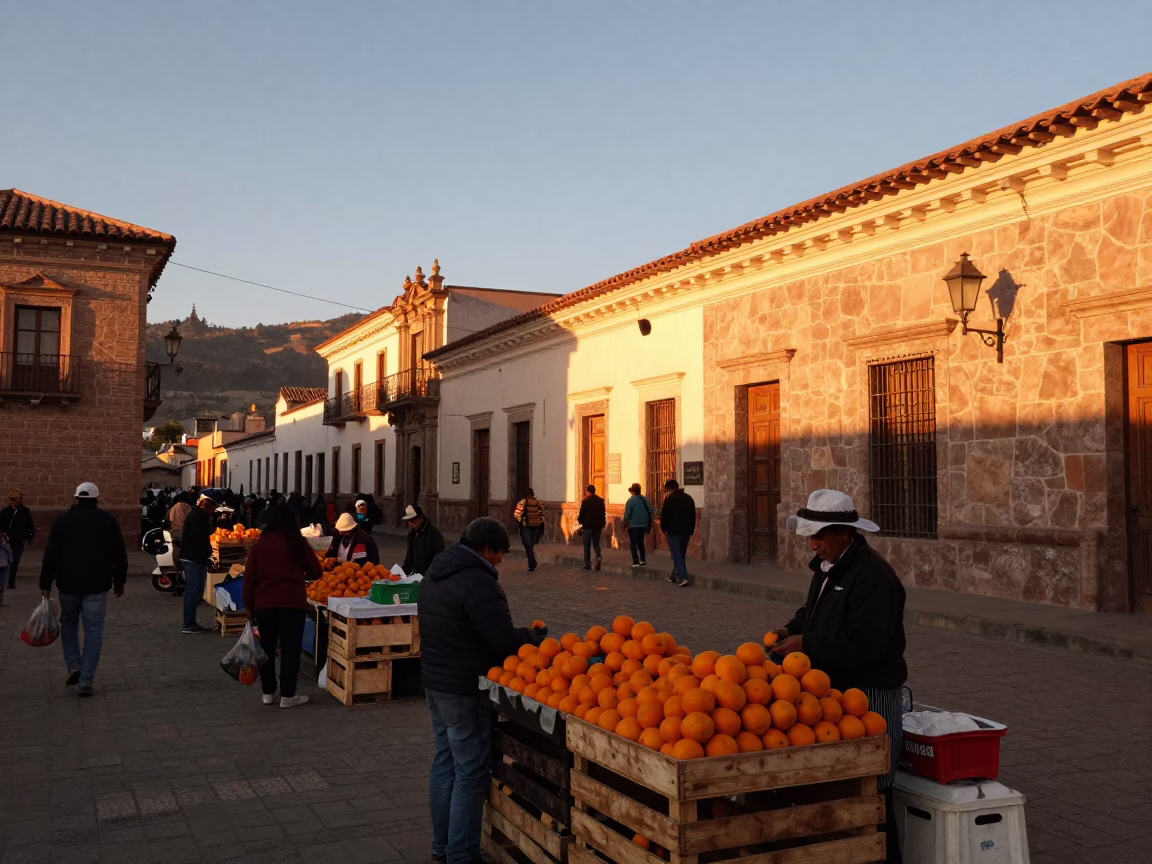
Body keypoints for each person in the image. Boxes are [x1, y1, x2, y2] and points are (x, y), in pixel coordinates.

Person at [769, 489, 907, 864]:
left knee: (872, 795)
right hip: (835, 696)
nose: (812, 544)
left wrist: (806, 642)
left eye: (819, 536)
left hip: (870, 695)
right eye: (811, 536)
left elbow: (866, 645)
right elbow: (812, 612)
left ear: (844, 534)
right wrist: (790, 630)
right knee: (843, 794)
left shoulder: (873, 577)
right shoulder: (831, 568)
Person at [418, 517, 546, 864]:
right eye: (500, 553)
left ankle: (442, 846)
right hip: (463, 688)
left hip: (435, 683)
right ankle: (461, 854)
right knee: (471, 771)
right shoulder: (477, 581)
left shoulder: (436, 572)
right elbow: (502, 640)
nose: (502, 560)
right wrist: (532, 638)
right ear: (485, 549)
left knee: (445, 763)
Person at [38, 482, 127, 695]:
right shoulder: (108, 521)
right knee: (93, 629)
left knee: (68, 623)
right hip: (98, 585)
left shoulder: (63, 521)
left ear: (76, 498)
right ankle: (86, 679)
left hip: (68, 584)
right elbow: (119, 554)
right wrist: (119, 582)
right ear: (97, 499)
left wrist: (45, 584)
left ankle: (74, 665)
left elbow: (51, 554)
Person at [242, 503, 320, 709]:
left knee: (266, 649)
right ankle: (287, 694)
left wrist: (248, 605)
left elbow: (249, 578)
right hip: (292, 602)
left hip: (265, 603)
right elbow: (316, 570)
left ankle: (268, 692)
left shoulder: (261, 544)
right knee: (290, 649)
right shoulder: (297, 542)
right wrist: (301, 575)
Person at [179, 491, 221, 634]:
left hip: (192, 557)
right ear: (207, 504)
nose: (215, 510)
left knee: (193, 591)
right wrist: (208, 555)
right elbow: (200, 540)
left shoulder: (199, 514)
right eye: (214, 507)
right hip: (193, 558)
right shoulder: (199, 517)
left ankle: (190, 622)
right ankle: (189, 623)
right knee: (193, 591)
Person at [660, 479, 696, 587]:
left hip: (673, 531)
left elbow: (664, 516)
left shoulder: (669, 500)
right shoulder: (688, 498)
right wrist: (691, 529)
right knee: (680, 554)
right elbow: (693, 516)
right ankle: (673, 576)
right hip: (686, 531)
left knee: (676, 555)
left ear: (669, 490)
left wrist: (664, 528)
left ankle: (683, 577)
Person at [0, 488, 34, 590]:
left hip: (18, 540)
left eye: (14, 499)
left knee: (15, 561)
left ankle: (11, 581)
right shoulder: (6, 511)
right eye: (11, 499)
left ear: (20, 500)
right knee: (5, 560)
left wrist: (30, 537)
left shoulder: (24, 511)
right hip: (6, 541)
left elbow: (29, 525)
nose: (12, 502)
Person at [401, 504, 446, 576]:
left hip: (428, 575)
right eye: (409, 521)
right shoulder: (411, 535)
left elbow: (438, 557)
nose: (410, 524)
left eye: (413, 520)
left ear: (421, 518)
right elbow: (409, 557)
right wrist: (403, 572)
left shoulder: (433, 534)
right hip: (415, 575)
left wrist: (430, 574)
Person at [513, 489, 545, 572]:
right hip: (535, 526)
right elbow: (541, 515)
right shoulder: (538, 503)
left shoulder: (523, 502)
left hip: (526, 526)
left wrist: (521, 521)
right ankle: (532, 562)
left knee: (528, 545)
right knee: (530, 545)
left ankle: (532, 563)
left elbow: (517, 514)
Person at [622, 483, 653, 567]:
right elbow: (650, 510)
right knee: (641, 542)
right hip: (643, 525)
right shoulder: (644, 499)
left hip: (633, 526)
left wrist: (625, 522)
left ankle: (635, 561)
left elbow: (627, 514)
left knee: (633, 543)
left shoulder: (631, 500)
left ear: (632, 491)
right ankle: (642, 560)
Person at [576, 484, 606, 571]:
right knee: (596, 543)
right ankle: (598, 555)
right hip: (598, 526)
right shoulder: (601, 501)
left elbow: (581, 515)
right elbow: (603, 514)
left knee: (587, 545)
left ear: (588, 491)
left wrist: (581, 522)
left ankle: (587, 564)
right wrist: (602, 523)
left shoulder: (585, 502)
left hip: (587, 526)